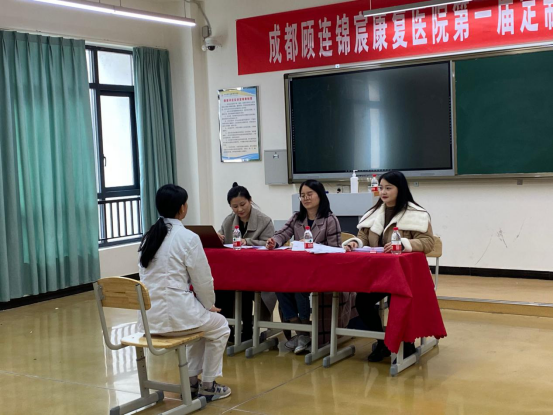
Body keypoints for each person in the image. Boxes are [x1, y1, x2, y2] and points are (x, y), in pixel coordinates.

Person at [138, 184, 231, 402]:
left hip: (149, 322)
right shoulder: (188, 237)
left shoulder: (149, 237)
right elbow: (202, 280)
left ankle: (190, 382)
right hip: (177, 319)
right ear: (182, 208)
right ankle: (208, 385)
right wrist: (208, 305)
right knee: (219, 326)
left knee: (201, 325)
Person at [343, 171, 435, 362]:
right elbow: (363, 236)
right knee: (362, 301)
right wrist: (354, 243)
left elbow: (427, 242)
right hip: (379, 275)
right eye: (381, 188)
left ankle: (406, 345)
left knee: (398, 300)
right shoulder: (374, 213)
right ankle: (383, 342)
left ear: (400, 189)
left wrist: (403, 244)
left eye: (388, 188)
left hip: (407, 277)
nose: (383, 192)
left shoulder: (417, 214)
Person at [266, 180, 355, 354]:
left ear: (320, 196)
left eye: (309, 194)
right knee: (280, 285)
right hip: (299, 269)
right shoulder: (297, 217)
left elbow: (335, 250)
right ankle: (301, 330)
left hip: (321, 271)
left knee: (299, 287)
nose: (306, 198)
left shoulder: (330, 219)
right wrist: (273, 242)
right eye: (302, 195)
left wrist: (311, 245)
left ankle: (304, 331)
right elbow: (282, 234)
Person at [216, 182, 276, 342]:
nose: (239, 210)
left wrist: (248, 241)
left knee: (244, 287)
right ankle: (227, 327)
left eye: (242, 204)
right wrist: (219, 237)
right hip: (233, 271)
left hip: (258, 271)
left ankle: (248, 328)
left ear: (250, 200)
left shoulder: (264, 220)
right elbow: (222, 237)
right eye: (235, 207)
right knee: (220, 286)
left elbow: (270, 243)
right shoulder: (229, 221)